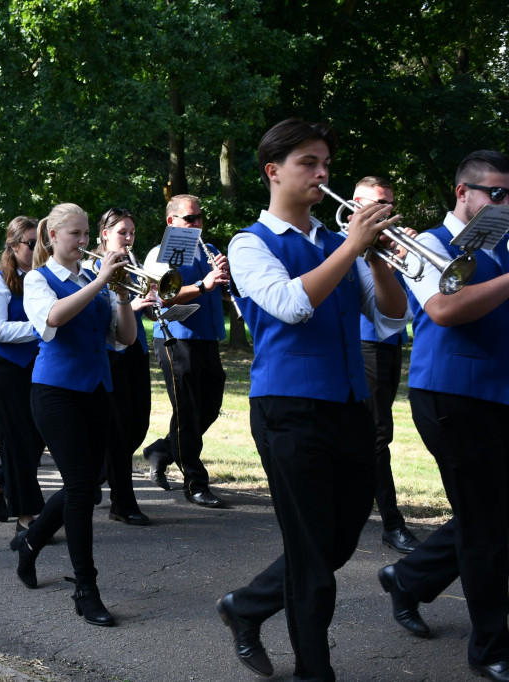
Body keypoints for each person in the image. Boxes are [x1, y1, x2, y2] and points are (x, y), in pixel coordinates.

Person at [217, 119, 409, 681]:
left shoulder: (337, 243)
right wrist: (354, 245)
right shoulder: (249, 242)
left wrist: (375, 255)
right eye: (309, 162)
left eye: (326, 163)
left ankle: (247, 606)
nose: (323, 173)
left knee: (337, 542)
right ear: (274, 170)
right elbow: (291, 306)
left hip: (350, 406)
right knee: (311, 556)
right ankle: (313, 670)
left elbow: (392, 317)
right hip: (288, 409)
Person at [377, 150, 509, 682]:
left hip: (496, 394)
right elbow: (444, 310)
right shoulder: (428, 243)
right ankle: (488, 648)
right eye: (495, 193)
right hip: (452, 394)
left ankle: (408, 579)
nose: (504, 203)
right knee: (486, 525)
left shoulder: (502, 247)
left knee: (492, 514)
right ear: (463, 193)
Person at [13, 202, 135, 626]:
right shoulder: (37, 279)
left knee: (90, 482)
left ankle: (31, 542)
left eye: (86, 234)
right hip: (55, 391)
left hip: (97, 390)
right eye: (75, 235)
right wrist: (102, 280)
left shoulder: (95, 281)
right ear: (52, 238)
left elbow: (124, 339)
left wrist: (121, 297)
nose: (84, 242)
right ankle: (86, 589)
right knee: (82, 489)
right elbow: (51, 320)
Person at [143, 195, 230, 507]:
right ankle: (195, 482)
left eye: (199, 217)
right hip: (175, 338)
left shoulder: (211, 251)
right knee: (188, 411)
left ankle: (163, 451)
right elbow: (159, 298)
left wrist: (226, 277)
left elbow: (219, 289)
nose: (197, 223)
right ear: (172, 222)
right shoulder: (164, 253)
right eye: (189, 219)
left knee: (210, 405)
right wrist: (205, 285)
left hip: (207, 338)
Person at [350, 176, 420, 553]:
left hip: (390, 342)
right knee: (377, 434)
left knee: (374, 433)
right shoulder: (352, 242)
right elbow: (368, 292)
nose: (385, 211)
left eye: (388, 204)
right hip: (365, 341)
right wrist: (391, 259)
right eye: (377, 202)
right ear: (356, 203)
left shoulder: (390, 242)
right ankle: (391, 523)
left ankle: (354, 507)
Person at [88, 207, 155, 525]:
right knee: (119, 429)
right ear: (105, 234)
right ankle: (123, 502)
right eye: (122, 233)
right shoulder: (90, 266)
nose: (129, 239)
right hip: (109, 353)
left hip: (135, 348)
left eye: (131, 232)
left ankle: (99, 472)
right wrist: (130, 303)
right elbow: (95, 310)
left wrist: (151, 300)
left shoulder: (134, 263)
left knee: (138, 425)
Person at [0, 216, 45, 530]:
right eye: (31, 243)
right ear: (14, 245)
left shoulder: (42, 277)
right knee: (18, 441)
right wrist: (41, 327)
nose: (36, 249)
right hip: (6, 367)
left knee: (36, 437)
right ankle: (26, 516)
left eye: (40, 243)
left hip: (37, 365)